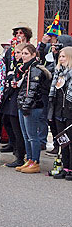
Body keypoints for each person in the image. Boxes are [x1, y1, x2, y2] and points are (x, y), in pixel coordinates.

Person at [16, 43, 52, 173]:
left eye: (26, 54)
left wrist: (26, 106)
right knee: (26, 135)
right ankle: (29, 159)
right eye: (22, 53)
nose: (23, 56)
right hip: (23, 104)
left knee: (32, 136)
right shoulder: (25, 69)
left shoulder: (35, 69)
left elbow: (32, 90)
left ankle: (35, 162)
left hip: (32, 106)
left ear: (33, 55)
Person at [0, 43, 27, 167]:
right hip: (9, 97)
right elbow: (9, 78)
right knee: (7, 122)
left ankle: (20, 156)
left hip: (17, 98)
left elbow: (15, 80)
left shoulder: (24, 67)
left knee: (17, 129)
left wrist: (11, 79)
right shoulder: (14, 65)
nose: (15, 55)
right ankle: (15, 149)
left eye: (18, 52)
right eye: (15, 53)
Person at [48, 46, 72, 180]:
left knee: (71, 142)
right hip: (59, 111)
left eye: (63, 56)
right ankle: (65, 167)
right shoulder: (58, 73)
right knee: (63, 143)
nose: (61, 59)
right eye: (60, 56)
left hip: (69, 111)